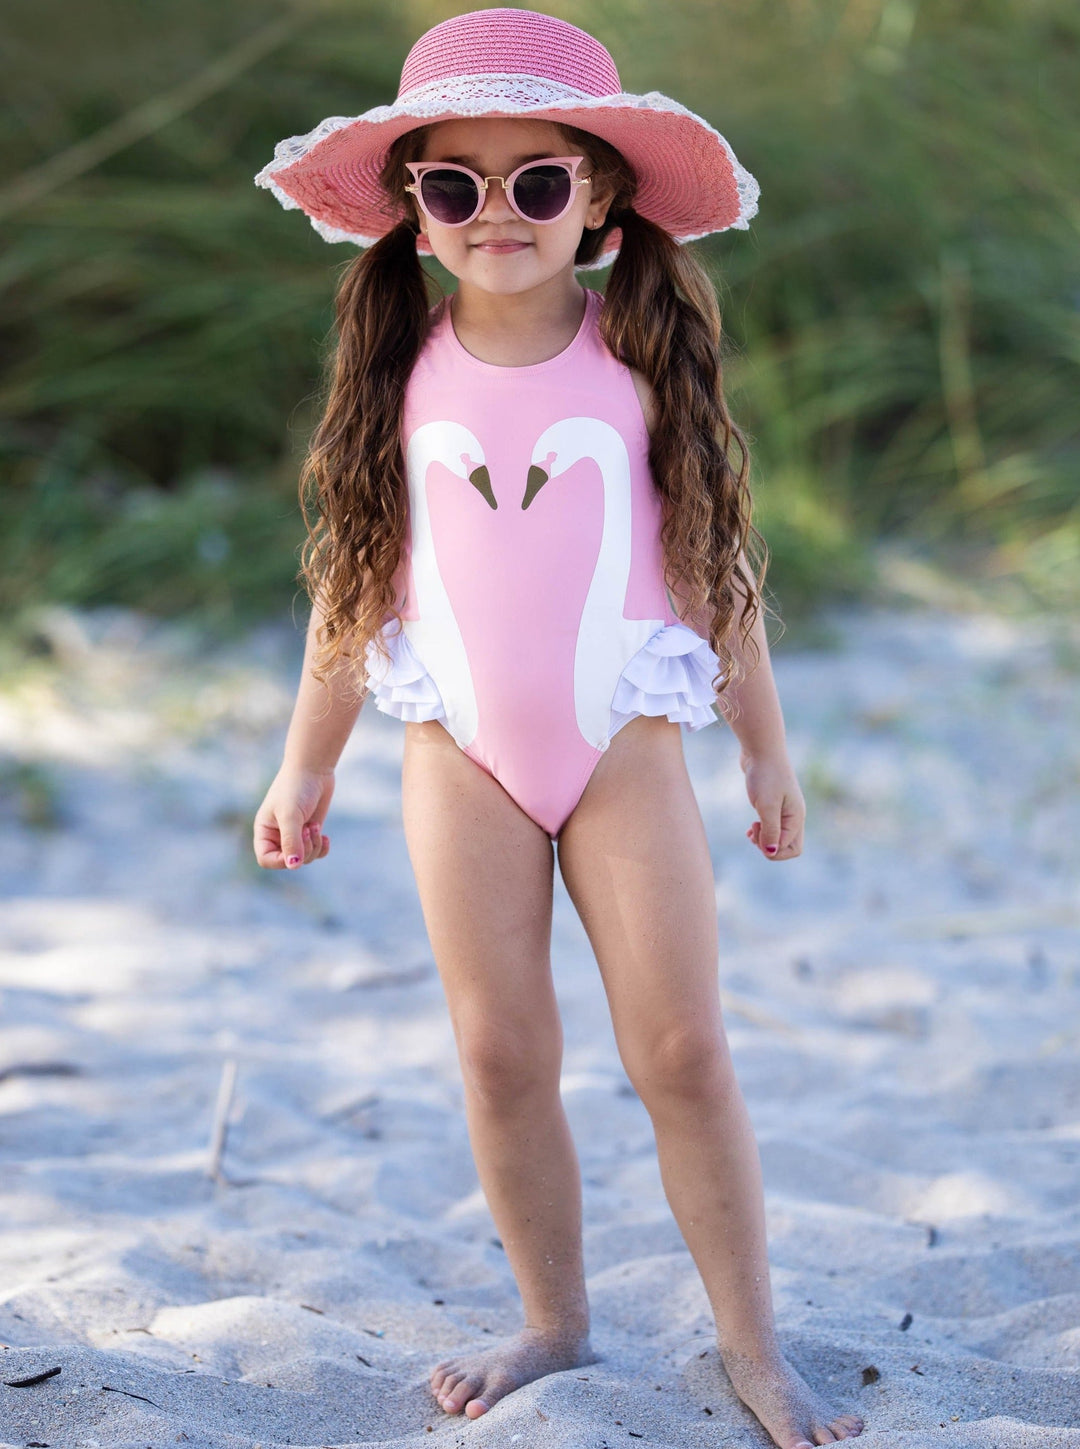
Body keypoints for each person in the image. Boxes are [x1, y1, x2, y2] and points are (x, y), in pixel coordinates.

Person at [252, 9, 862, 1447]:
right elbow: (355, 580)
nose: (497, 211)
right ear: (413, 208)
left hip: (622, 753)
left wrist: (764, 743)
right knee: (501, 1052)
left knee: (682, 1047)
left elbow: (713, 562)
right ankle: (553, 1317)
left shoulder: (640, 358)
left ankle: (753, 1344)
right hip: (456, 756)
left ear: (598, 199)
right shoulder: (397, 369)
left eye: (536, 180)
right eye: (453, 182)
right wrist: (305, 759)